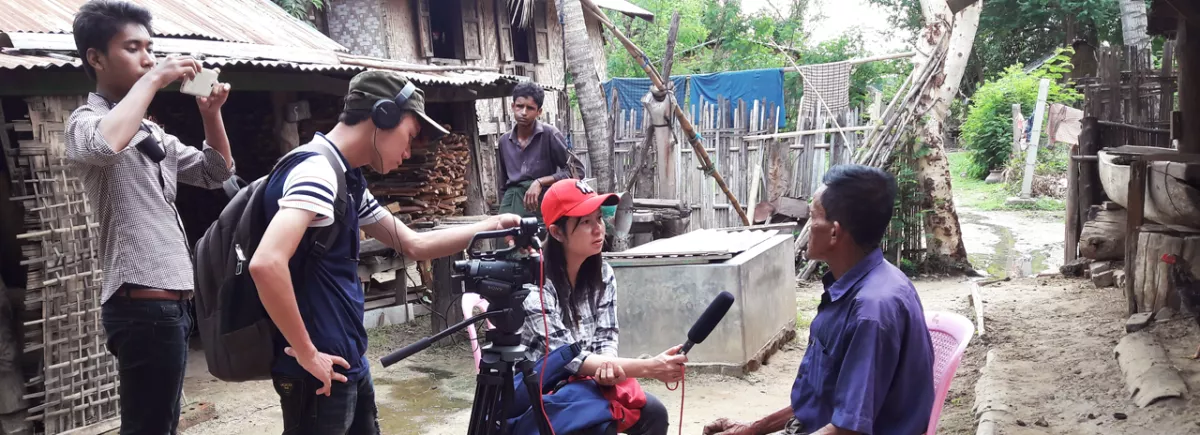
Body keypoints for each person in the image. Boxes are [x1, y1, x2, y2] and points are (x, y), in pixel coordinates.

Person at [247, 70, 523, 435]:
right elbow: (266, 263)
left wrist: (491, 224)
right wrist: (307, 352)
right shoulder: (317, 172)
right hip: (320, 370)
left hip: (347, 361)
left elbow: (414, 244)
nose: (408, 152)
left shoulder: (346, 178)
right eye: (409, 137)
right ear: (383, 116)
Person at [65, 1, 236, 433]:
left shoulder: (150, 131)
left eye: (150, 48)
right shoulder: (85, 122)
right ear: (96, 58)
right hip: (140, 304)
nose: (147, 57)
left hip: (171, 305)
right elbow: (104, 147)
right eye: (133, 47)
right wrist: (157, 77)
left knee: (160, 423)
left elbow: (217, 172)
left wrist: (210, 116)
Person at [703, 165, 935, 435]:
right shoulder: (855, 286)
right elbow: (817, 402)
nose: (808, 225)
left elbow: (848, 430)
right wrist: (750, 430)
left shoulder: (871, 312)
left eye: (813, 216)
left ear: (834, 232)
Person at [518, 178, 688, 435]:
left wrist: (608, 367)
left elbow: (606, 336)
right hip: (541, 394)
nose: (598, 229)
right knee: (600, 426)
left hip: (585, 387)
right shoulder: (534, 283)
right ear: (557, 232)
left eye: (598, 218)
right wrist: (650, 368)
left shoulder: (603, 273)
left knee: (654, 414)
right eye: (585, 222)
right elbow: (568, 358)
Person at [496, 82, 585, 218]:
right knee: (503, 238)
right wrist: (503, 213)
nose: (524, 113)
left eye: (530, 108)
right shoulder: (504, 141)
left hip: (542, 205)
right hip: (512, 206)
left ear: (539, 112)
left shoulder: (550, 135)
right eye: (519, 106)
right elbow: (502, 185)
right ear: (513, 107)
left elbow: (577, 171)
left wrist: (540, 182)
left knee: (545, 238)